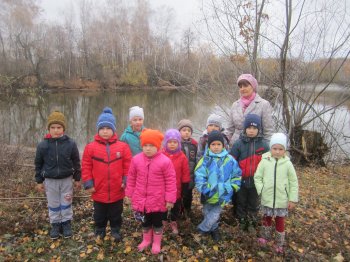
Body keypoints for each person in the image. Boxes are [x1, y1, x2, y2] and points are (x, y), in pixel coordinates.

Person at [82, 107, 132, 242]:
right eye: (102, 128)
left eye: (108, 128)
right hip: (98, 189)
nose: (105, 131)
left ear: (113, 130)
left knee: (116, 213)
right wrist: (88, 183)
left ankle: (115, 230)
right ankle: (100, 230)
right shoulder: (90, 147)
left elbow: (128, 166)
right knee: (99, 214)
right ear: (98, 130)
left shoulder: (122, 147)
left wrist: (125, 180)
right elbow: (86, 167)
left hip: (117, 189)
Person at [125, 129, 177, 255]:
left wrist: (170, 199)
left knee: (157, 223)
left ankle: (157, 242)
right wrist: (128, 194)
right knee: (145, 222)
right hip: (141, 200)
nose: (148, 149)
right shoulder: (136, 160)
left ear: (158, 146)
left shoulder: (165, 161)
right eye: (145, 146)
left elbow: (171, 181)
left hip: (158, 201)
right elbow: (131, 178)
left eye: (151, 146)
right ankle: (146, 240)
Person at [34, 111, 81, 239]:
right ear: (48, 129)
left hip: (66, 179)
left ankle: (66, 223)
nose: (56, 130)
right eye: (53, 127)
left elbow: (76, 162)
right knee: (53, 203)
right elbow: (38, 164)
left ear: (63, 129)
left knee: (66, 201)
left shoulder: (70, 143)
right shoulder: (43, 145)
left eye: (59, 127)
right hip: (50, 180)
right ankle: (55, 224)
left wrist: (77, 178)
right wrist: (39, 181)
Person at [254, 133, 299, 253]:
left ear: (284, 150)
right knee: (266, 218)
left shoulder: (288, 164)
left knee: (280, 220)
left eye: (280, 149)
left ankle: (279, 243)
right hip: (267, 197)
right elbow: (257, 177)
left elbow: (293, 181)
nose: (277, 152)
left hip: (281, 199)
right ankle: (264, 237)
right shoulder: (264, 161)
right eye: (275, 148)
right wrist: (261, 189)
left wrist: (292, 199)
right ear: (270, 148)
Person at [195, 131, 242, 242]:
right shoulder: (205, 160)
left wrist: (233, 187)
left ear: (223, 145)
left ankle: (202, 229)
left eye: (218, 144)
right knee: (207, 213)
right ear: (209, 146)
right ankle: (214, 229)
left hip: (223, 193)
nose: (216, 147)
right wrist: (204, 188)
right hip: (208, 194)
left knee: (215, 214)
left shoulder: (230, 160)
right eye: (213, 144)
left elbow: (237, 175)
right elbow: (199, 175)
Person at [230, 114, 269, 232]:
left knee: (253, 202)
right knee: (240, 201)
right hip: (241, 180)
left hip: (256, 181)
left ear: (259, 130)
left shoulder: (264, 145)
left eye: (254, 128)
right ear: (245, 129)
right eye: (249, 128)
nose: (251, 131)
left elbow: (268, 162)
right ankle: (241, 221)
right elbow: (232, 161)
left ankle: (251, 220)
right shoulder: (238, 143)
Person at [226, 74, 274, 146]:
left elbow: (268, 132)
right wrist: (221, 143)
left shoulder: (264, 104)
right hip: (235, 147)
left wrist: (267, 149)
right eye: (240, 87)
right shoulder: (235, 105)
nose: (242, 89)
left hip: (256, 147)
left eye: (245, 86)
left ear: (253, 87)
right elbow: (229, 130)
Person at [162, 129, 191, 234]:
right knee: (162, 207)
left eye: (175, 142)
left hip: (176, 188)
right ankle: (163, 221)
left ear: (178, 143)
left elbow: (185, 173)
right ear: (166, 143)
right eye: (170, 142)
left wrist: (185, 186)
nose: (172, 144)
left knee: (176, 207)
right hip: (162, 189)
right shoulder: (161, 155)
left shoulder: (182, 157)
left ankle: (173, 221)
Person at [177, 119, 198, 218]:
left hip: (190, 175)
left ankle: (187, 210)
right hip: (179, 176)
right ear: (179, 132)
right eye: (184, 130)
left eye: (189, 131)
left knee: (188, 195)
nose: (186, 132)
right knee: (179, 194)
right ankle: (179, 211)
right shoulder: (176, 144)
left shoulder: (194, 144)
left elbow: (197, 159)